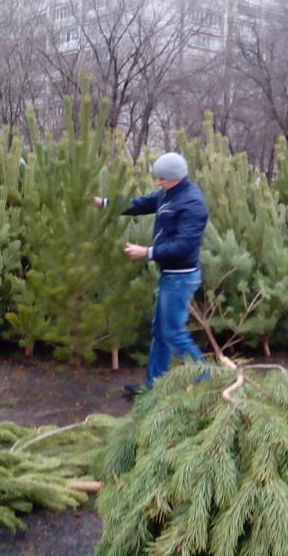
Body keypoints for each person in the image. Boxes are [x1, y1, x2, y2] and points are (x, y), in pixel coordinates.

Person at [95, 151, 209, 395]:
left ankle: (209, 381)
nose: (157, 182)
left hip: (181, 277)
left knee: (173, 332)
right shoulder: (168, 194)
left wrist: (147, 252)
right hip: (171, 275)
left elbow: (184, 245)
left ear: (174, 177)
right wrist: (105, 203)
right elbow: (139, 204)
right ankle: (154, 386)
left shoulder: (192, 203)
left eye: (161, 178)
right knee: (161, 331)